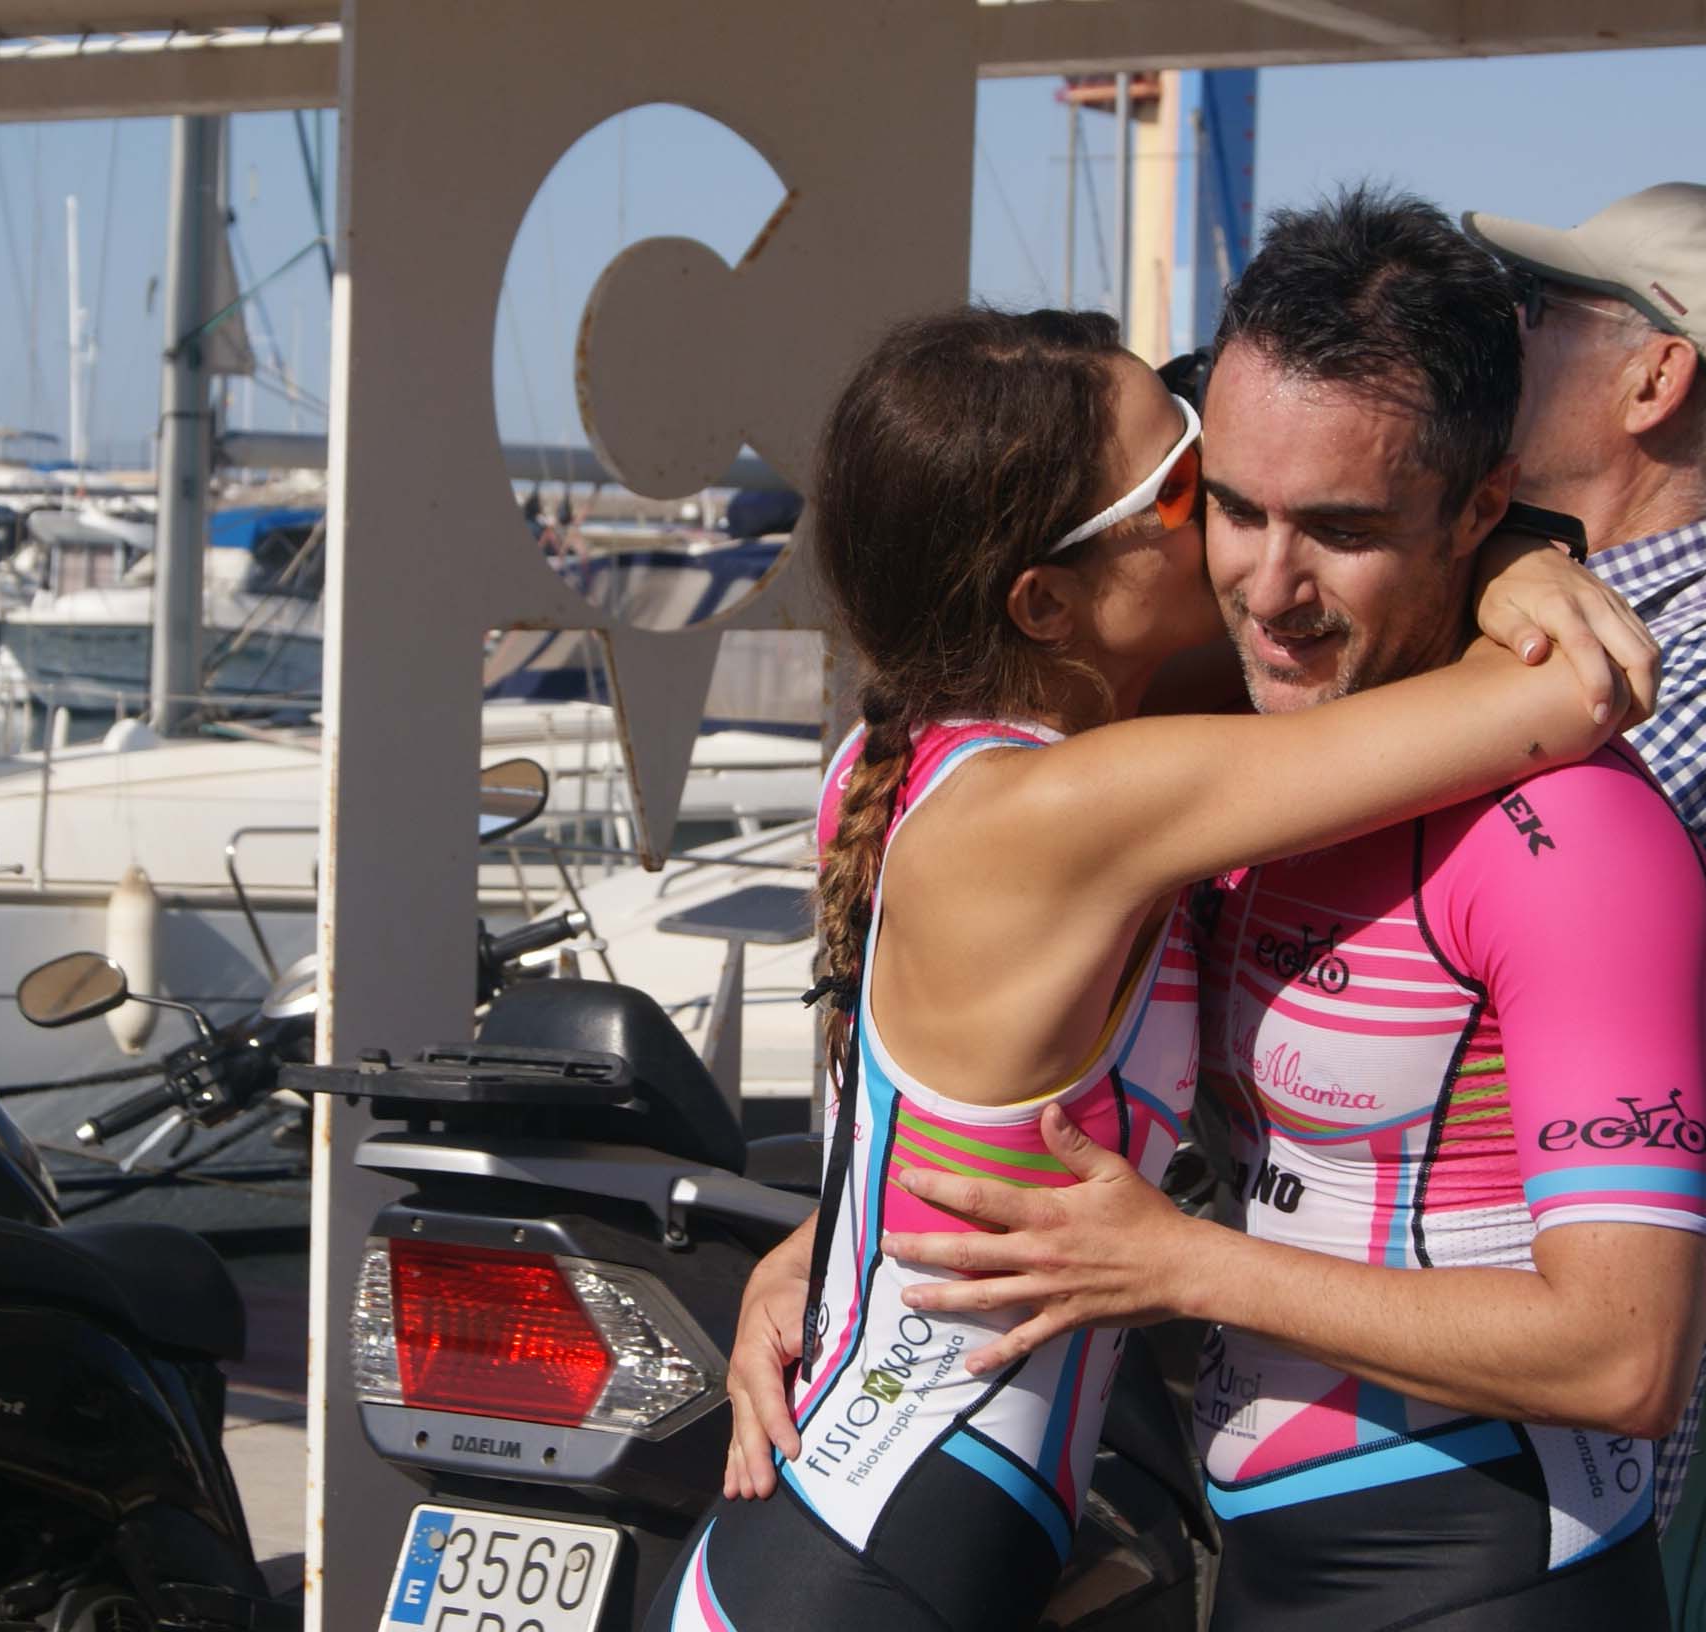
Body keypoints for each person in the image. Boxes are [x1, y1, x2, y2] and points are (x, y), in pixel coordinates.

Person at [658, 302, 1654, 1632]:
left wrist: (816, 1248)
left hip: (832, 1527)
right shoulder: (1072, 810)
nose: (1229, 512)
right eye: (1191, 487)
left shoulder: (917, 756)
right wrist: (1514, 557)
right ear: (1048, 601)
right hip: (872, 1568)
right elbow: (1562, 697)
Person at [1460, 180, 1706, 1525]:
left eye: (1542, 309)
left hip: (1537, 1412)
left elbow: (1451, 887)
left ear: (1656, 379)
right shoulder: (1565, 610)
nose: (1507, 333)